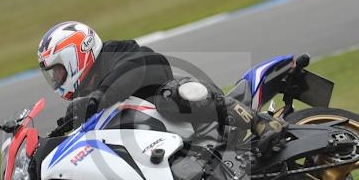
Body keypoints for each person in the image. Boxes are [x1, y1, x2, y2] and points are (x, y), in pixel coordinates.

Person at [37, 21, 284, 151]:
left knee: (172, 95)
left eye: (58, 72)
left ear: (75, 56)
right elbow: (71, 123)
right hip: (158, 142)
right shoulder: (88, 98)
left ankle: (261, 123)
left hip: (180, 107)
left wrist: (99, 97)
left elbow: (141, 66)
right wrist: (48, 141)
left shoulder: (116, 53)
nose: (57, 81)